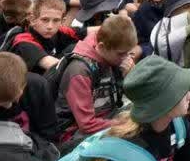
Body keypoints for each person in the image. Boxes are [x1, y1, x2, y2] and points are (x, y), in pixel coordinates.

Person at [54, 13, 137, 145]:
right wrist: (122, 124)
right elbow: (87, 125)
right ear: (102, 47)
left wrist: (131, 76)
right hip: (73, 132)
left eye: (129, 53)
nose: (127, 58)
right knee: (133, 131)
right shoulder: (80, 71)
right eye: (122, 54)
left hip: (104, 116)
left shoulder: (112, 55)